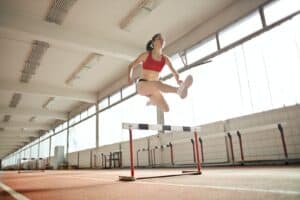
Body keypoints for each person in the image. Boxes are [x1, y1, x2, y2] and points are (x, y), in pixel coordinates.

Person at [128, 33, 193, 112]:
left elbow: (174, 72)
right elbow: (130, 66)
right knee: (157, 83)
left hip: (154, 89)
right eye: (159, 39)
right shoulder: (146, 55)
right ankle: (178, 90)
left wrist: (178, 80)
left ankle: (152, 100)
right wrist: (129, 78)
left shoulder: (165, 59)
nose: (162, 41)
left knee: (166, 109)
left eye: (163, 39)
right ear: (153, 42)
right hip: (142, 86)